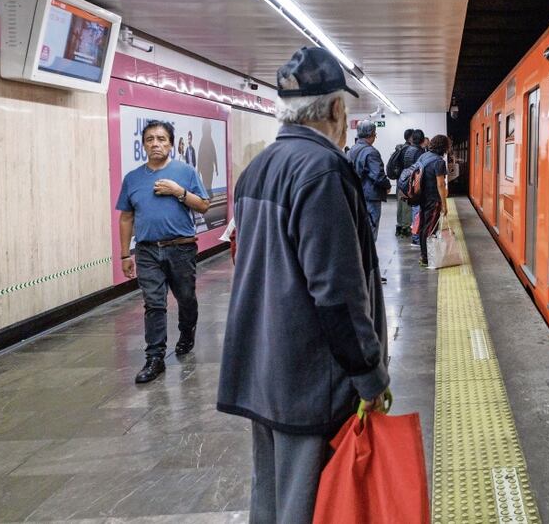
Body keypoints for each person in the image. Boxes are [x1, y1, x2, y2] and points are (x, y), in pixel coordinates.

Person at [217, 46, 389, 523]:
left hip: (265, 368)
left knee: (271, 499)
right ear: (336, 109)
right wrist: (368, 374)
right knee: (308, 505)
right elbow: (336, 293)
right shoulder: (323, 171)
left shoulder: (257, 170)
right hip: (311, 377)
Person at [117, 120, 211, 384]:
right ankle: (155, 358)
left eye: (161, 139)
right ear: (143, 144)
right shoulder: (133, 178)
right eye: (150, 139)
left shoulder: (185, 172)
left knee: (186, 298)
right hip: (147, 251)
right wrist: (125, 254)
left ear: (171, 144)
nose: (155, 144)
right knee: (154, 304)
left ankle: (187, 331)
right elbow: (126, 217)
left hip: (180, 248)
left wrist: (178, 192)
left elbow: (203, 206)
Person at [347, 121, 391, 242]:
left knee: (359, 228)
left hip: (356, 194)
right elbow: (378, 175)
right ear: (371, 134)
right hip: (371, 196)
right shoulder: (371, 152)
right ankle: (368, 258)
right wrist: (387, 185)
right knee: (371, 228)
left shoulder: (351, 151)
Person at [417, 135, 451, 267]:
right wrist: (444, 204)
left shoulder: (424, 156)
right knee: (430, 228)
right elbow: (441, 184)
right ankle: (427, 257)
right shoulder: (439, 161)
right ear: (444, 147)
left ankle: (424, 255)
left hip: (423, 197)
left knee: (423, 227)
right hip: (433, 199)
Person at [407, 130, 427, 246]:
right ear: (422, 140)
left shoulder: (407, 150)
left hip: (410, 186)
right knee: (417, 213)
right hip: (417, 187)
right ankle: (416, 238)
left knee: (414, 212)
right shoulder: (420, 152)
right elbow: (421, 171)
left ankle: (415, 236)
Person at [394, 129, 415, 237]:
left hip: (399, 181)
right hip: (406, 181)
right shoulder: (409, 150)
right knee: (406, 205)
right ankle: (405, 228)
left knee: (400, 205)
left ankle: (399, 226)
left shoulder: (400, 148)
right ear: (410, 137)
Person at [197, 121, 219, 195]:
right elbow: (199, 156)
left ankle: (208, 193)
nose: (210, 130)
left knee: (208, 182)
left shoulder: (209, 140)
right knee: (206, 182)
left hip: (209, 166)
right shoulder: (204, 140)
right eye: (209, 128)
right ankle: (207, 193)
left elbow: (214, 154)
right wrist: (198, 169)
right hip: (205, 167)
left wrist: (216, 167)